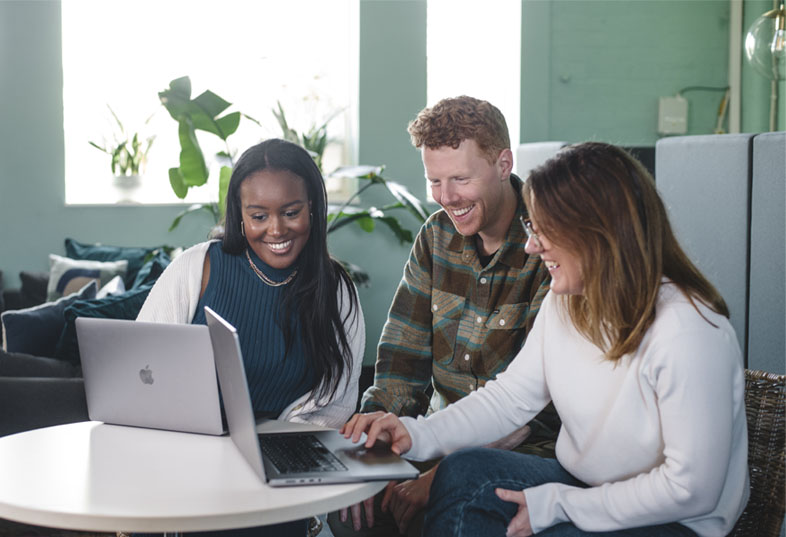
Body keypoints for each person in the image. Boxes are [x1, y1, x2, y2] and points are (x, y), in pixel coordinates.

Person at [341, 142, 749, 537]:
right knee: (461, 471)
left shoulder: (688, 330)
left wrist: (559, 505)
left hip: (671, 521)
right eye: (531, 227)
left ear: (598, 233)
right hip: (581, 482)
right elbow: (511, 398)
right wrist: (417, 434)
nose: (533, 246)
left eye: (544, 230)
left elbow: (690, 489)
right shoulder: (568, 301)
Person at [328, 96, 556, 537]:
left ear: (503, 163)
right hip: (436, 436)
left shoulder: (548, 243)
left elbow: (536, 412)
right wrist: (375, 454)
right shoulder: (435, 236)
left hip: (525, 450)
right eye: (434, 180)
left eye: (460, 179)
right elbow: (400, 364)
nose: (447, 197)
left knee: (449, 505)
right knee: (354, 508)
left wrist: (441, 476)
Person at [137, 138, 365, 537]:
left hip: (277, 473)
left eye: (291, 212)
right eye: (258, 216)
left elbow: (337, 403)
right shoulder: (198, 267)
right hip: (188, 463)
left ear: (313, 207)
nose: (276, 230)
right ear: (239, 216)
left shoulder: (337, 291)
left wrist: (264, 444)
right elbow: (141, 368)